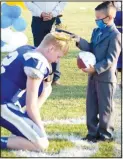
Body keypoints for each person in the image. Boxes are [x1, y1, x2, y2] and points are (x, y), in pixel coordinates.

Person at [0, 32, 69, 151]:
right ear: (51, 48)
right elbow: (31, 106)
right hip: (4, 103)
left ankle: (25, 126)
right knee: (41, 144)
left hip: (7, 97)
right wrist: (41, 130)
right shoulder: (37, 63)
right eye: (58, 56)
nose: (57, 61)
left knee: (46, 87)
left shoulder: (27, 49)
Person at [72, 2, 121, 142]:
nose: (96, 21)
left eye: (99, 18)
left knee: (105, 108)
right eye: (96, 18)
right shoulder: (96, 31)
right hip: (92, 76)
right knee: (91, 106)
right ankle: (92, 133)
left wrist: (96, 68)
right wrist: (80, 41)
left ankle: (105, 134)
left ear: (109, 17)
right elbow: (91, 48)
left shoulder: (116, 36)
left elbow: (111, 59)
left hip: (106, 77)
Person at [24, 2, 67, 85]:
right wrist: (40, 13)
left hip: (54, 19)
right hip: (37, 19)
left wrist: (53, 13)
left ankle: (55, 77)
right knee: (40, 48)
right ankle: (40, 75)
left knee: (56, 47)